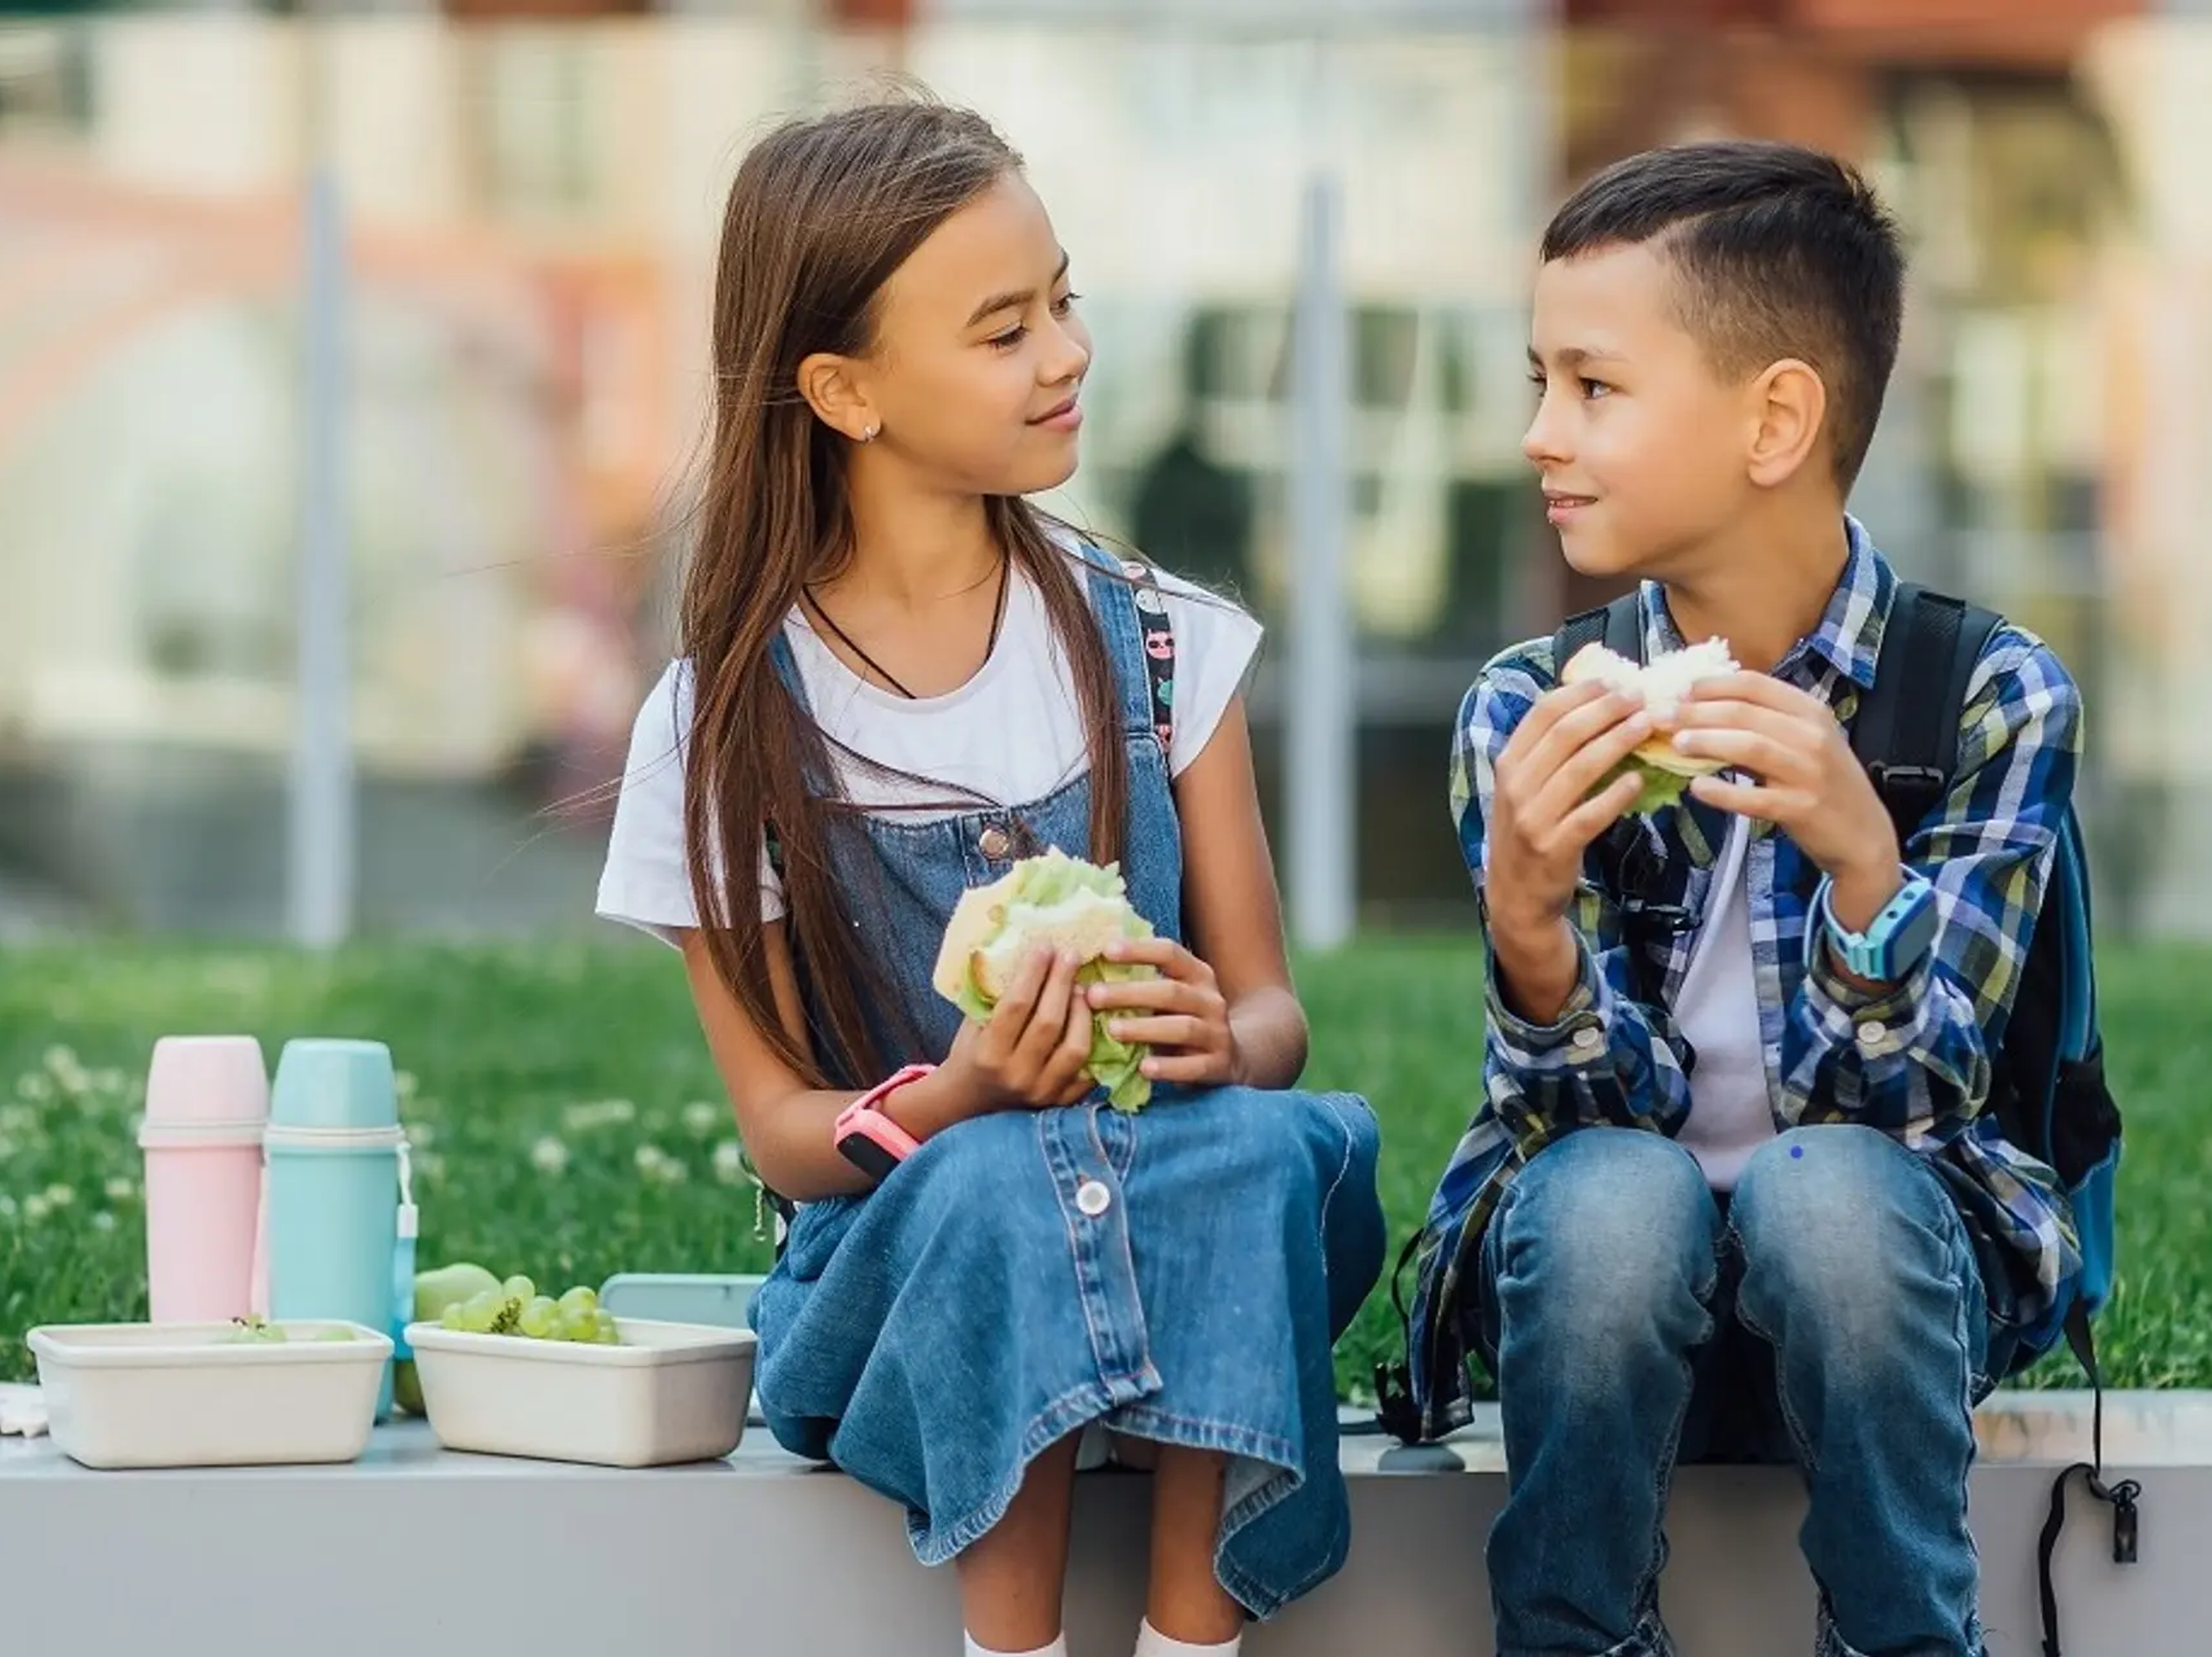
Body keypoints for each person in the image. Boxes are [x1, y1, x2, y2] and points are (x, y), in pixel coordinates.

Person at [593, 92, 1386, 1657]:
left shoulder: (1164, 646)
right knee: (1001, 1176)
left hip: (1185, 1237)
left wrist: (1226, 1037)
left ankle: (1188, 1638)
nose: (1068, 353)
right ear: (846, 389)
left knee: (1251, 1139)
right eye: (1005, 328)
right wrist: (950, 1097)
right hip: (903, 1295)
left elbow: (1277, 1016)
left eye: (1064, 300)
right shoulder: (723, 723)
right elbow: (780, 1131)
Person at [1401, 139, 2086, 1656]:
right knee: (1612, 1207)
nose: (1538, 434)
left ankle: (1906, 1638)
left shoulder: (1986, 696)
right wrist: (1527, 930)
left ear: (1776, 417)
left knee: (1828, 1193)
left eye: (1592, 386)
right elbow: (1583, 1132)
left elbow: (1916, 1106)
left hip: (1881, 1290)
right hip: (1602, 1278)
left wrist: (1863, 864)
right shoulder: (1528, 707)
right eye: (1539, 381)